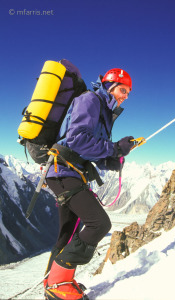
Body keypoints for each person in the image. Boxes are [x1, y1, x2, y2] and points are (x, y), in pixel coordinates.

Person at [44, 68, 134, 300]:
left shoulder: (103, 111)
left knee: (68, 231)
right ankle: (56, 284)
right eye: (123, 90)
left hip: (68, 171)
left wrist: (111, 160)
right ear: (109, 86)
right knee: (99, 224)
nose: (125, 95)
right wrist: (114, 148)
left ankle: (54, 281)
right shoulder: (90, 100)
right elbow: (76, 139)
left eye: (128, 92)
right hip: (63, 171)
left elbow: (88, 149)